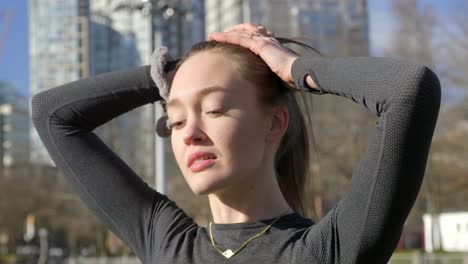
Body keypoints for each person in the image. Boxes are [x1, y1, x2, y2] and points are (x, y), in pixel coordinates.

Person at [31, 23, 441, 263]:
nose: (188, 132)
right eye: (174, 119)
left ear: (274, 122)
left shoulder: (325, 251)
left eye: (214, 109)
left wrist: (290, 66)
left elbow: (407, 91)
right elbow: (53, 114)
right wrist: (170, 74)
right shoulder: (168, 243)